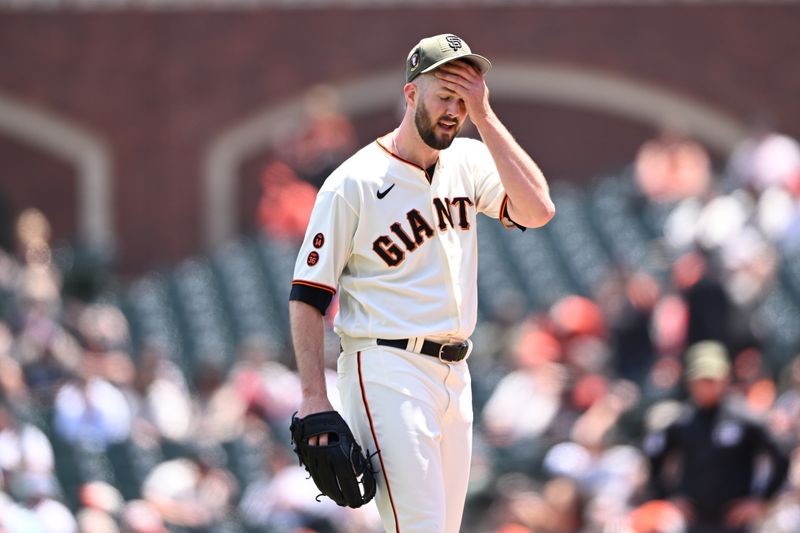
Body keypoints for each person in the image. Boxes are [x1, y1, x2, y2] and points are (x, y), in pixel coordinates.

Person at [288, 33, 555, 533]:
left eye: (463, 97)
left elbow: (538, 210)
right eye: (443, 95)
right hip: (387, 365)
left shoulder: (469, 161)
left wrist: (487, 116)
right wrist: (312, 395)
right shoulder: (353, 182)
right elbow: (307, 295)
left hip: (455, 372)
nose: (454, 109)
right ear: (411, 95)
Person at [643, 341, 790, 533]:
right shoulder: (682, 421)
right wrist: (670, 498)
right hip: (694, 520)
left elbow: (780, 455)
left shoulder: (745, 418)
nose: (707, 387)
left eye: (712, 380)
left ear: (726, 378)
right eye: (701, 380)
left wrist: (760, 500)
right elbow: (654, 458)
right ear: (690, 382)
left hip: (734, 521)